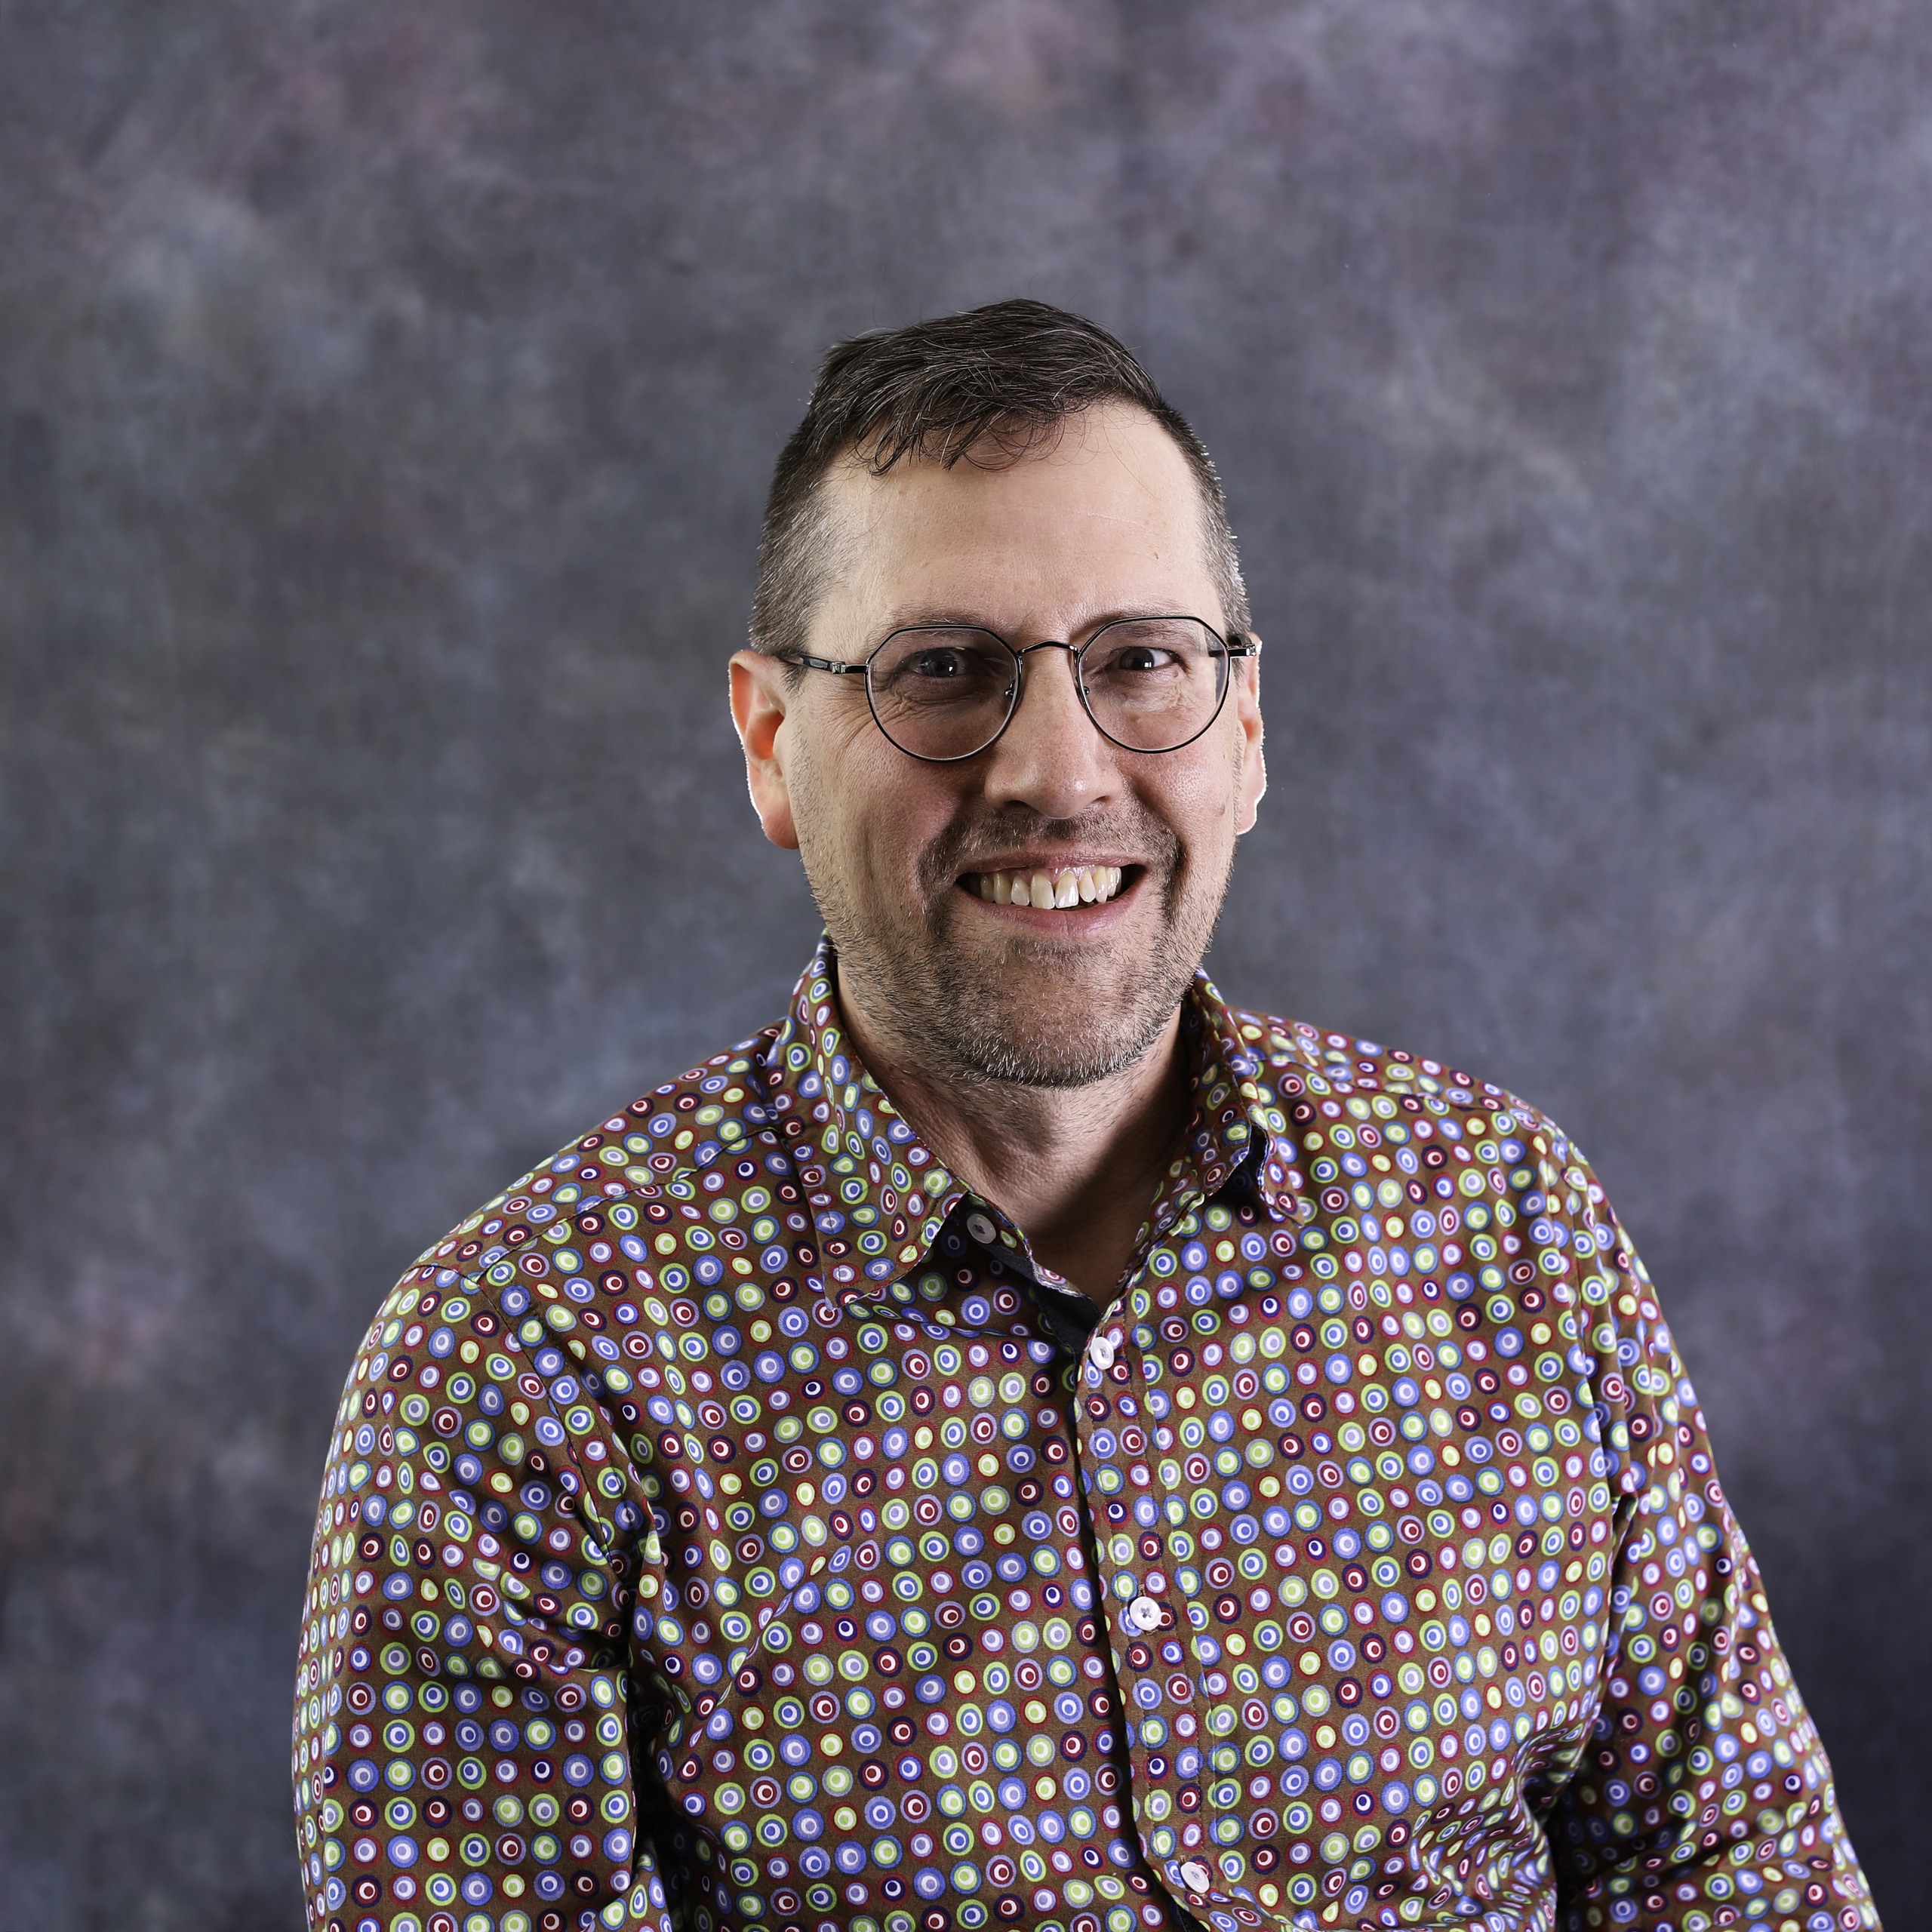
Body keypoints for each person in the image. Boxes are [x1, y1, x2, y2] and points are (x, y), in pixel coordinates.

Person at [291, 300, 1878, 1932]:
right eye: (942, 671)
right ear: (771, 744)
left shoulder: (1503, 1217)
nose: (1056, 769)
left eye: (1138, 661)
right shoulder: (522, 1369)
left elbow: (1733, 1873)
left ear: (1242, 732)